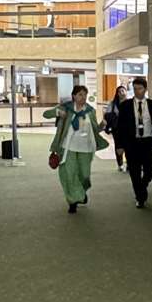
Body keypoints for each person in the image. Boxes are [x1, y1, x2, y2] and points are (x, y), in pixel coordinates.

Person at [48, 84, 103, 213]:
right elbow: (46, 114)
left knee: (84, 175)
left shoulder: (90, 111)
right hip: (68, 147)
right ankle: (72, 201)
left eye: (85, 95)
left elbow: (95, 130)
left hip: (86, 148)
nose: (83, 97)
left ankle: (81, 193)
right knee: (69, 174)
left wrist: (102, 126)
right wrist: (57, 112)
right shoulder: (66, 108)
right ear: (74, 96)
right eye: (80, 95)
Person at [115, 79, 152, 208]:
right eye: (135, 88)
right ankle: (140, 198)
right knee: (134, 172)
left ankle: (142, 186)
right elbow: (120, 127)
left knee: (149, 171)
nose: (137, 91)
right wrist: (119, 146)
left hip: (147, 142)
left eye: (140, 88)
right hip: (132, 143)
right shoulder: (125, 106)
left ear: (145, 89)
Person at [108, 83, 129, 170]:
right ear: (117, 93)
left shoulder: (130, 103)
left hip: (128, 129)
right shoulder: (113, 104)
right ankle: (120, 164)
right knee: (118, 147)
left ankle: (129, 164)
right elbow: (107, 115)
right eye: (119, 91)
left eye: (123, 91)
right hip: (116, 129)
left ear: (126, 92)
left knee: (128, 147)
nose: (121, 93)